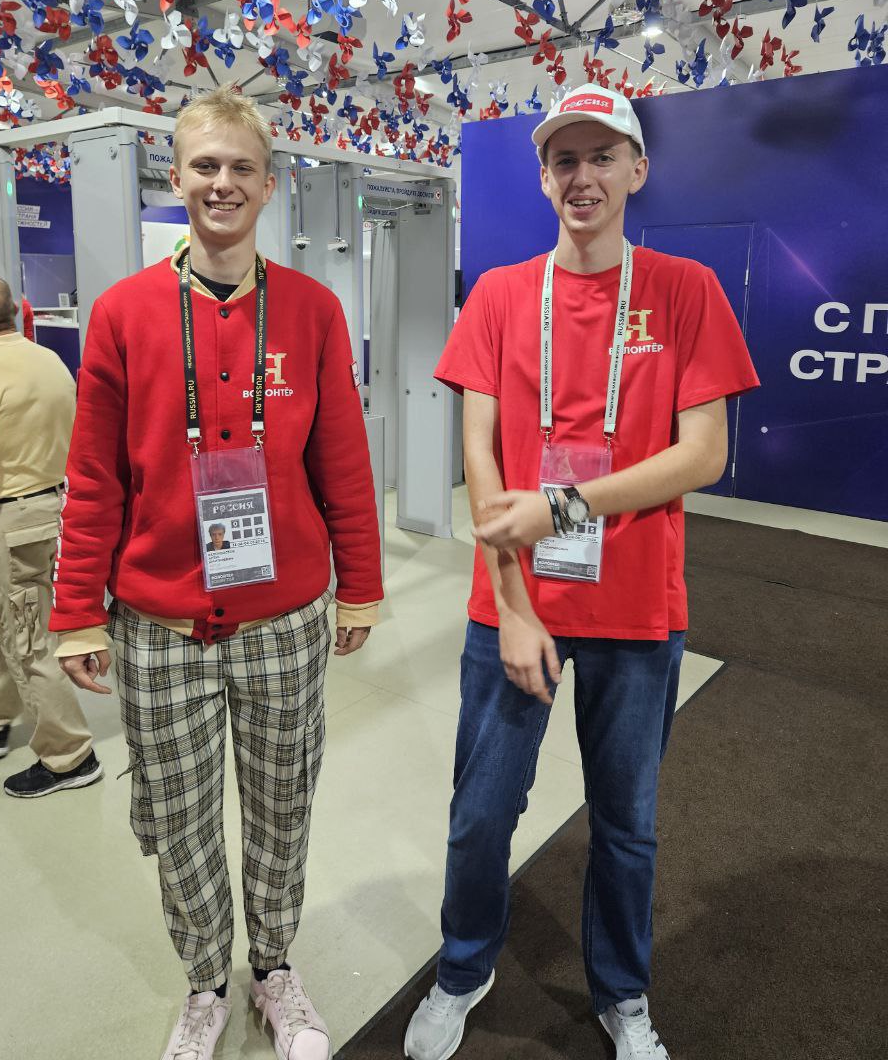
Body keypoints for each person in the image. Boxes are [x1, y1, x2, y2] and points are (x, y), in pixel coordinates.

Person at [405, 84, 759, 1060]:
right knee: (482, 813)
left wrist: (563, 506)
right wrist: (513, 605)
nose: (583, 176)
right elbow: (481, 457)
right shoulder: (500, 294)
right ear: (544, 178)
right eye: (565, 159)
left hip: (639, 609)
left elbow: (705, 453)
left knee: (627, 823)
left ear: (637, 170)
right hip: (513, 606)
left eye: (603, 156)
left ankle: (623, 993)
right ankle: (462, 968)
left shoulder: (685, 290)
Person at [51, 88, 383, 1060]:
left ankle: (273, 969)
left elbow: (343, 463)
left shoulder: (313, 311)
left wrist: (361, 584)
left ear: (270, 185)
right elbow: (94, 477)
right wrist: (76, 611)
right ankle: (205, 981)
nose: (222, 183)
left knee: (282, 805)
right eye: (205, 165)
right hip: (158, 625)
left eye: (242, 167)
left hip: (285, 618)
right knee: (182, 820)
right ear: (176, 177)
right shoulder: (124, 313)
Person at [0, 272, 101, 797]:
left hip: (13, 525)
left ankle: (70, 756)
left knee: (29, 642)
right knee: (22, 622)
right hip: (61, 509)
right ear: (14, 311)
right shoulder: (48, 361)